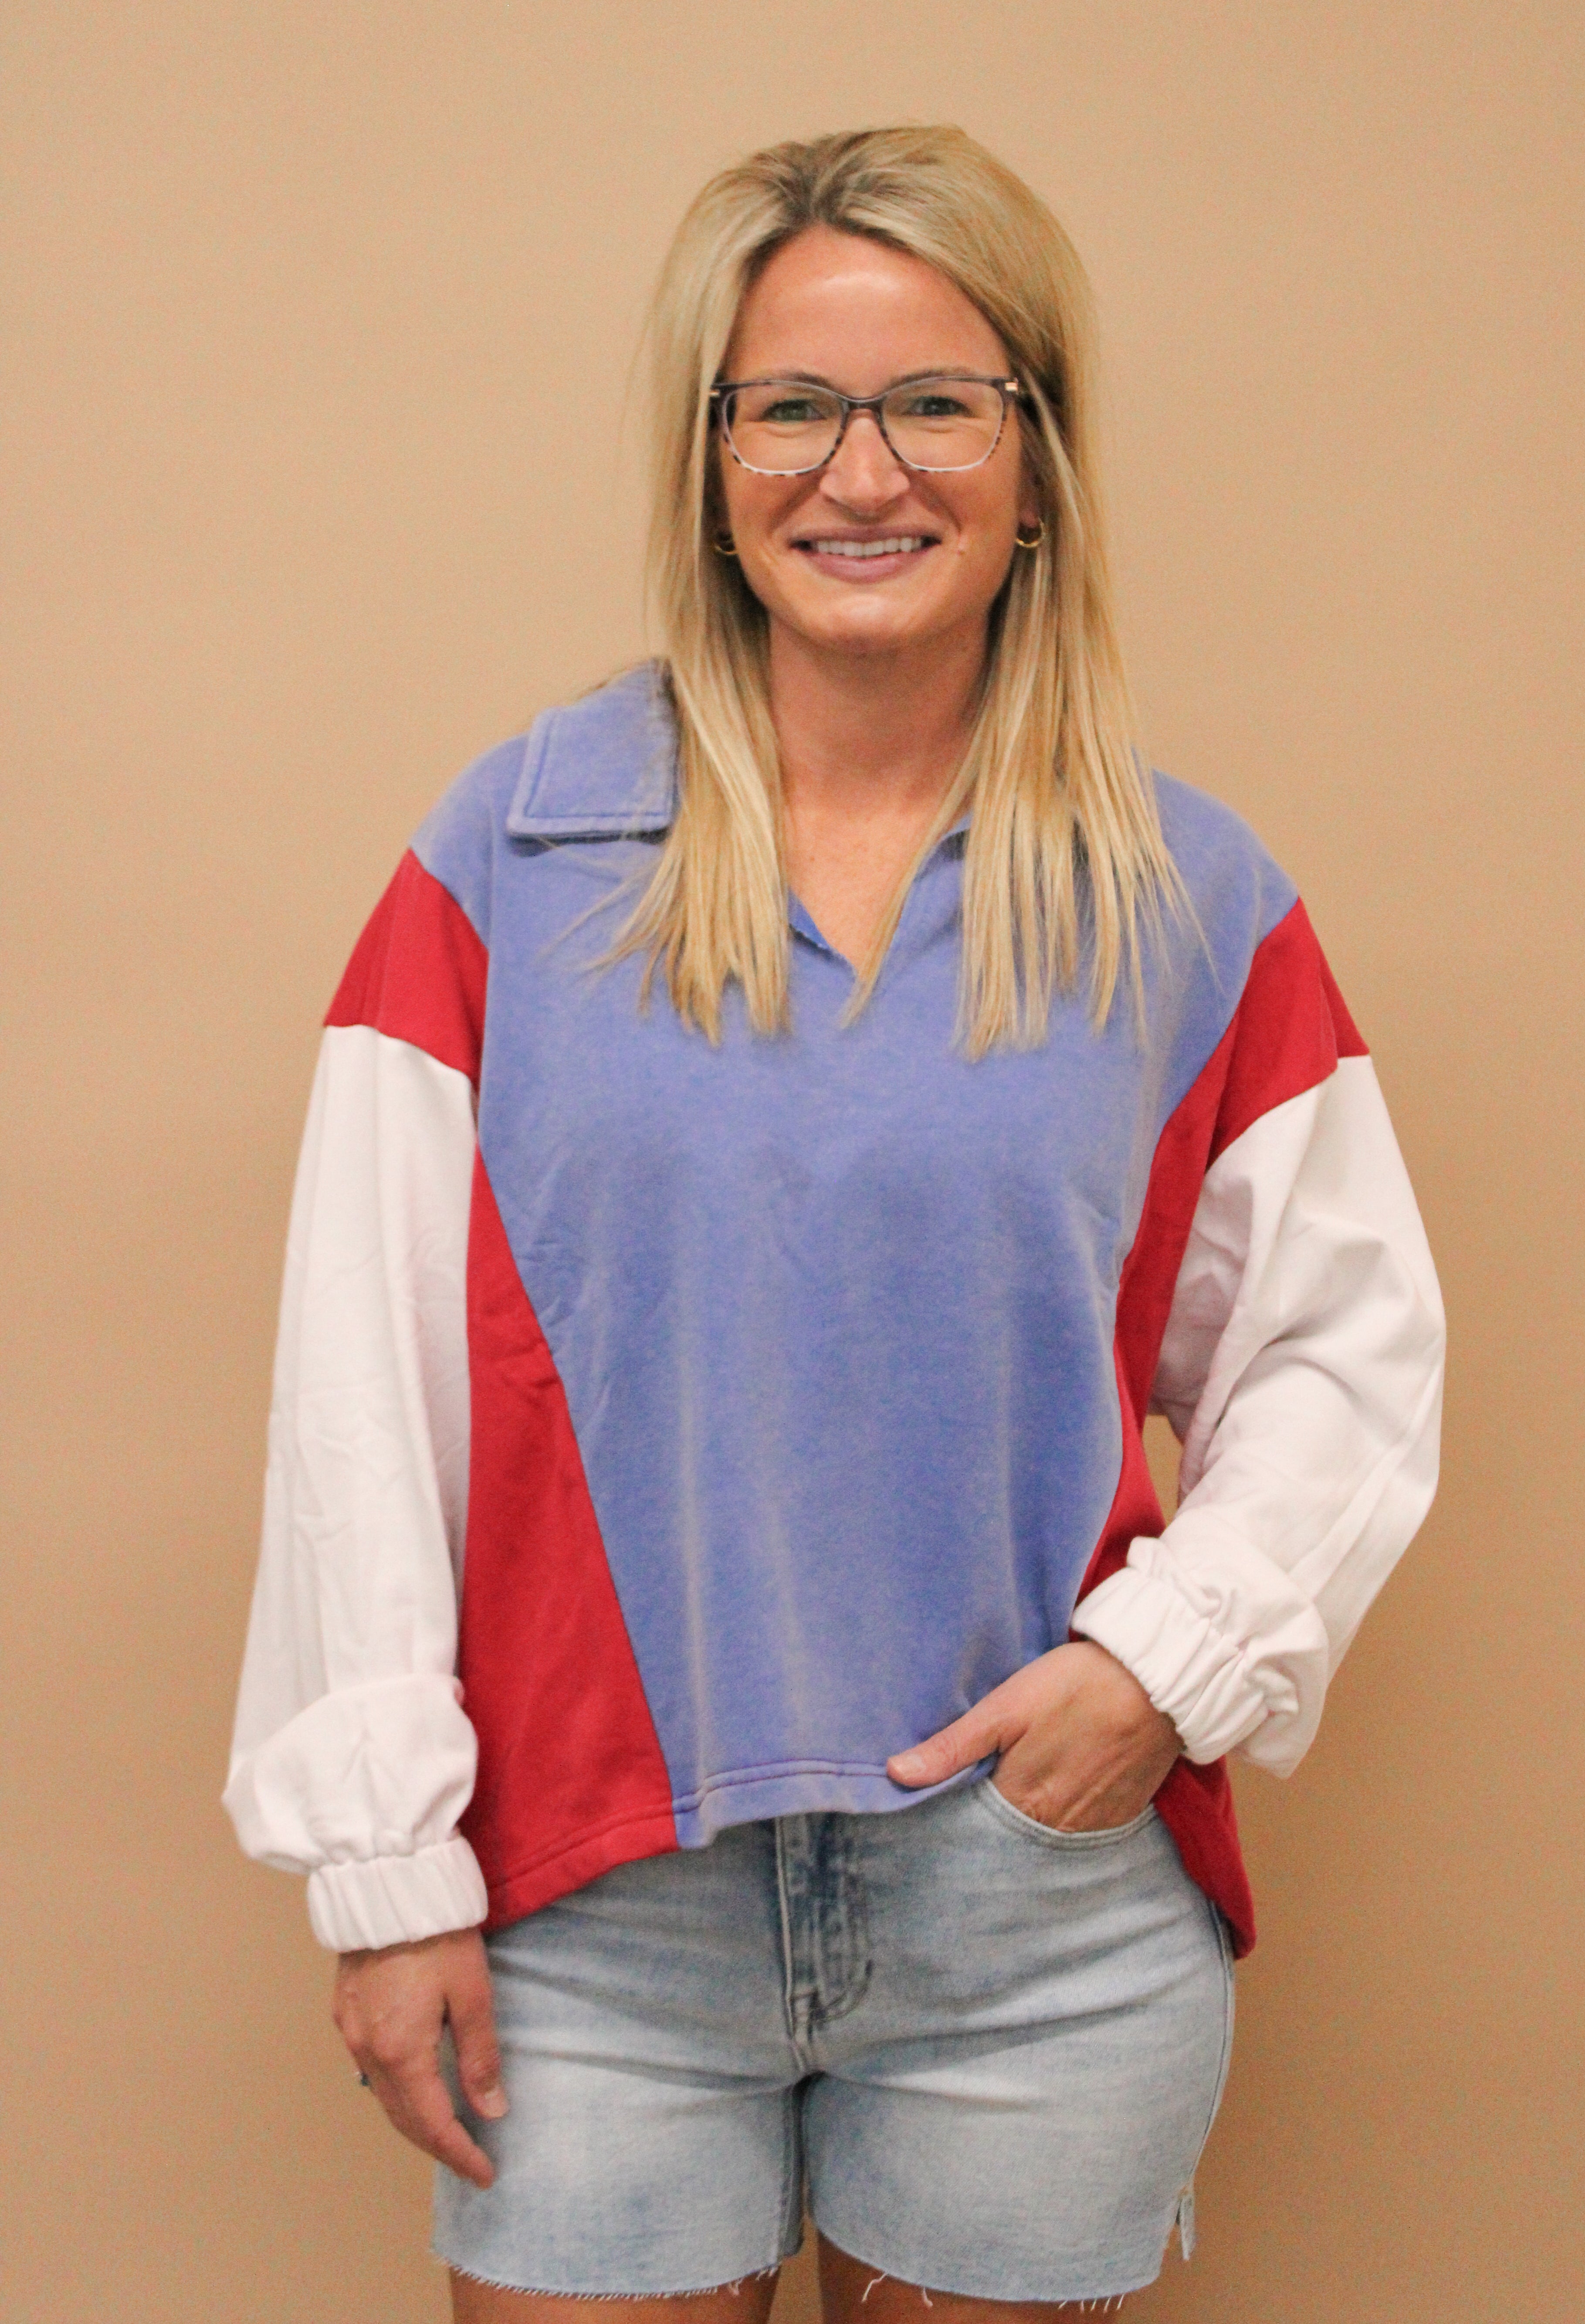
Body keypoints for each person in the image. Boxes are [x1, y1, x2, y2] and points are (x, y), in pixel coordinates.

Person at [224, 125, 1444, 2321]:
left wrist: (1157, 1671)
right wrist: (385, 1868)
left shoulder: (1181, 896)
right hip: (592, 1903)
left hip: (1037, 1919)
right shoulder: (509, 856)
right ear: (710, 461)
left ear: (1033, 457)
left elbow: (1342, 1352)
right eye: (788, 405)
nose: (857, 471)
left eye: (934, 403)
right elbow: (359, 1393)